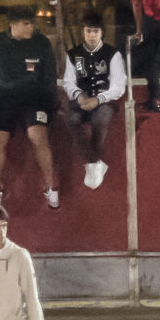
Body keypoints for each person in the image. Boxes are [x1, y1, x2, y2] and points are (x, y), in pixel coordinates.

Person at [0, 9, 63, 209]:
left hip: (34, 97)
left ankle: (50, 187)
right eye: (26, 24)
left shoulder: (41, 42)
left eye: (32, 23)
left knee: (39, 136)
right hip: (2, 97)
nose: (32, 27)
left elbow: (49, 77)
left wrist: (54, 105)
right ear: (14, 25)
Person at [62, 16, 128, 190]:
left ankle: (93, 162)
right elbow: (68, 82)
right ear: (83, 32)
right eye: (88, 31)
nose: (92, 35)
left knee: (100, 120)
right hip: (81, 98)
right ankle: (94, 162)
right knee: (71, 119)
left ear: (102, 33)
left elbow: (118, 86)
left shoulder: (112, 54)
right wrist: (79, 97)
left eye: (96, 31)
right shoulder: (73, 54)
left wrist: (98, 99)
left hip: (105, 99)